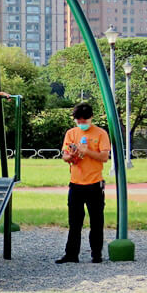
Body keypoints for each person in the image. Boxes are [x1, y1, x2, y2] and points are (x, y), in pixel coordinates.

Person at [56, 102, 111, 264]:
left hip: (94, 184)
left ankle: (96, 254)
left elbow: (104, 157)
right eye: (78, 121)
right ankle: (71, 254)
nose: (81, 123)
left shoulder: (101, 134)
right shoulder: (71, 133)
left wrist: (87, 151)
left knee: (96, 221)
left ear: (91, 118)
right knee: (74, 222)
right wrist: (72, 155)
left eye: (84, 120)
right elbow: (65, 156)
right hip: (76, 183)